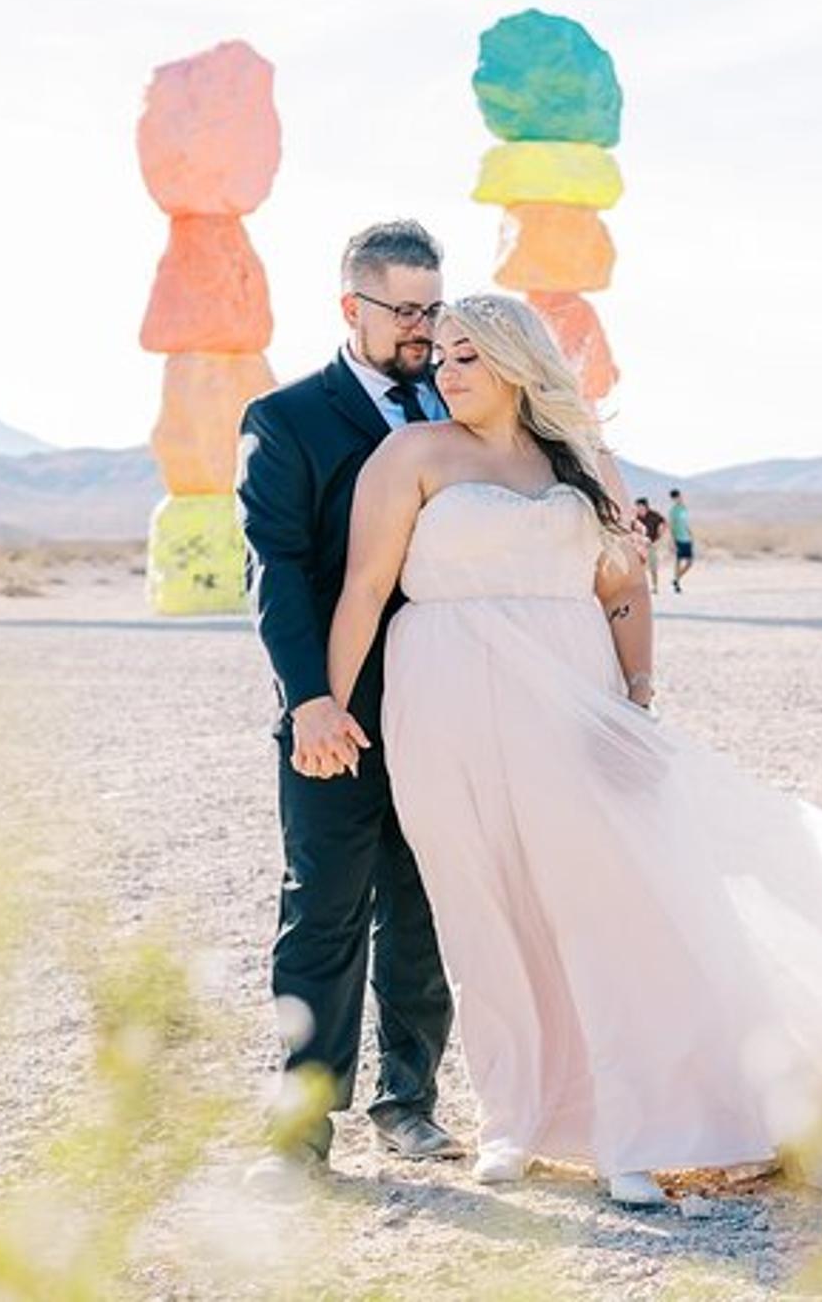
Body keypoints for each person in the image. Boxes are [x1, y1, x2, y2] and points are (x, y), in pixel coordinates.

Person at [317, 294, 822, 1208]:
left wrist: (637, 700)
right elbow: (363, 588)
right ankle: (514, 1119)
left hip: (572, 693)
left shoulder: (582, 462)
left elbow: (625, 590)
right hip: (442, 698)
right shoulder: (410, 456)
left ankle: (628, 1128)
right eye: (444, 357)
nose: (447, 371)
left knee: (604, 903)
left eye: (469, 356)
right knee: (480, 908)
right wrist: (325, 707)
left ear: (517, 362)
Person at [235, 220, 460, 1180]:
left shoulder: (467, 402)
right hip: (339, 711)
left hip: (452, 702)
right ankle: (301, 1131)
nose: (421, 328)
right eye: (403, 309)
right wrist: (310, 701)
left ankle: (408, 1100)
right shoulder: (286, 419)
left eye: (432, 307)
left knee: (425, 908)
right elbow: (276, 570)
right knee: (323, 908)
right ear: (349, 308)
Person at [633, 496, 667, 594]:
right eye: (637, 507)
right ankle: (639, 588)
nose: (639, 509)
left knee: (653, 566)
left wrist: (660, 536)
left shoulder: (654, 515)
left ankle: (655, 586)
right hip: (639, 545)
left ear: (646, 507)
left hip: (651, 544)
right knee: (639, 567)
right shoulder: (636, 517)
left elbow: (663, 523)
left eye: (641, 507)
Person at [668, 488, 695, 593]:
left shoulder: (684, 508)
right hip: (678, 538)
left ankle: (676, 579)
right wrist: (673, 541)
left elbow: (685, 523)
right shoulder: (673, 511)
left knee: (689, 562)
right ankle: (677, 584)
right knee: (678, 561)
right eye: (676, 497)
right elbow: (672, 526)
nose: (679, 498)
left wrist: (690, 533)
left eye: (679, 496)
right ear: (673, 499)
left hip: (687, 538)